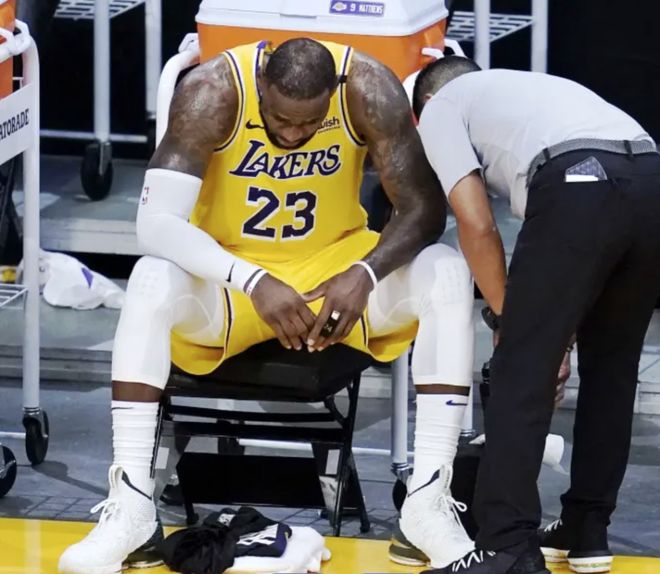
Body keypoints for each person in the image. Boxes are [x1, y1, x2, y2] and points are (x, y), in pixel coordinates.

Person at [58, 38, 477, 574]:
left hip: (334, 279)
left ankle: (427, 503)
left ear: (335, 92)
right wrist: (252, 280)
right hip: (231, 281)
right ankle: (132, 506)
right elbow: (155, 223)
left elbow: (423, 208)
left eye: (310, 123)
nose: (295, 133)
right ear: (261, 86)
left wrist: (366, 273)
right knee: (149, 279)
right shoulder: (212, 91)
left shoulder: (368, 88)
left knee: (446, 271)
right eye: (281, 119)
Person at [412, 55, 660, 574]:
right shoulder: (526, 90)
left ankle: (507, 546)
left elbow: (477, 224)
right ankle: (587, 528)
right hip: (650, 180)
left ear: (426, 103)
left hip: (579, 181)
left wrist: (509, 322)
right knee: (612, 372)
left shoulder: (440, 108)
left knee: (519, 372)